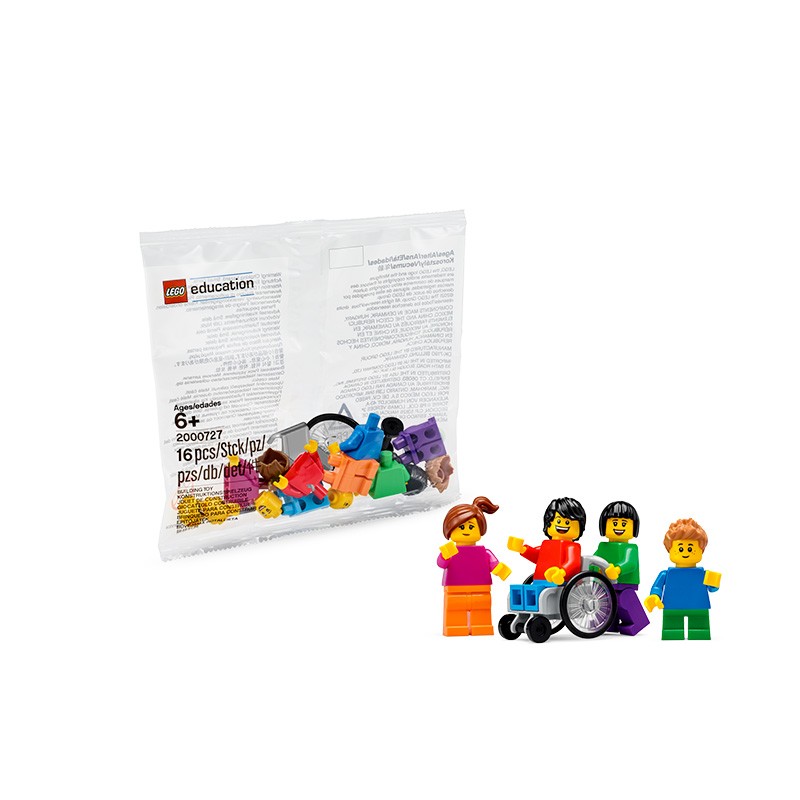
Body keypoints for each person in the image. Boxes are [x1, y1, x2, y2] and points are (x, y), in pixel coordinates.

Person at [437, 496, 511, 636]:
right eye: (461, 527)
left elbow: (494, 564)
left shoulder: (484, 552)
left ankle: (481, 626)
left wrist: (501, 570)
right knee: (455, 608)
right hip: (455, 588)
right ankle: (455, 627)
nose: (466, 530)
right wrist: (444, 555)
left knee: (482, 607)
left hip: (481, 588)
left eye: (471, 527)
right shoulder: (451, 551)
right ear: (450, 528)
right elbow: (441, 563)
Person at [645, 518, 722, 640]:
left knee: (700, 629)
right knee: (671, 629)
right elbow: (657, 587)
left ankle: (699, 632)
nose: (685, 552)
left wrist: (714, 583)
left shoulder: (703, 574)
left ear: (701, 550)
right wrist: (655, 596)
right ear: (669, 550)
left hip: (698, 607)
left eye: (690, 548)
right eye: (680, 548)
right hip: (672, 607)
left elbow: (712, 589)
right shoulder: (666, 574)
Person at [593, 501, 649, 635]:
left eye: (624, 524)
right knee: (607, 602)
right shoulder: (603, 547)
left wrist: (618, 570)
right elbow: (594, 560)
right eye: (614, 523)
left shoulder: (630, 548)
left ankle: (638, 622)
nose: (619, 527)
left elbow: (630, 563)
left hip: (624, 583)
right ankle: (610, 623)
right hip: (605, 583)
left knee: (624, 600)